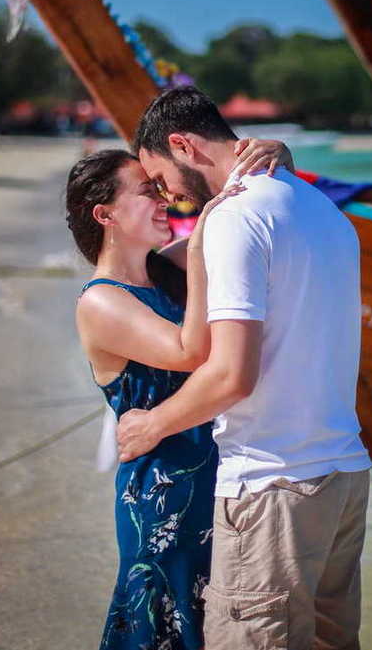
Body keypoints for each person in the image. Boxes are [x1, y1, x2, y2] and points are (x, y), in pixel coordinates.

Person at [119, 86, 372, 650]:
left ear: (183, 143)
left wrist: (150, 425)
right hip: (344, 478)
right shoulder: (319, 207)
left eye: (161, 178)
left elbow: (233, 375)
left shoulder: (240, 218)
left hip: (273, 485)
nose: (167, 195)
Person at [66, 139, 292, 650]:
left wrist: (278, 155)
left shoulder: (166, 277)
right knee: (167, 626)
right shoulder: (100, 301)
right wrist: (195, 247)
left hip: (218, 476)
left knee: (216, 623)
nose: (163, 200)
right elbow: (190, 350)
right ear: (106, 214)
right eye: (147, 192)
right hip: (162, 490)